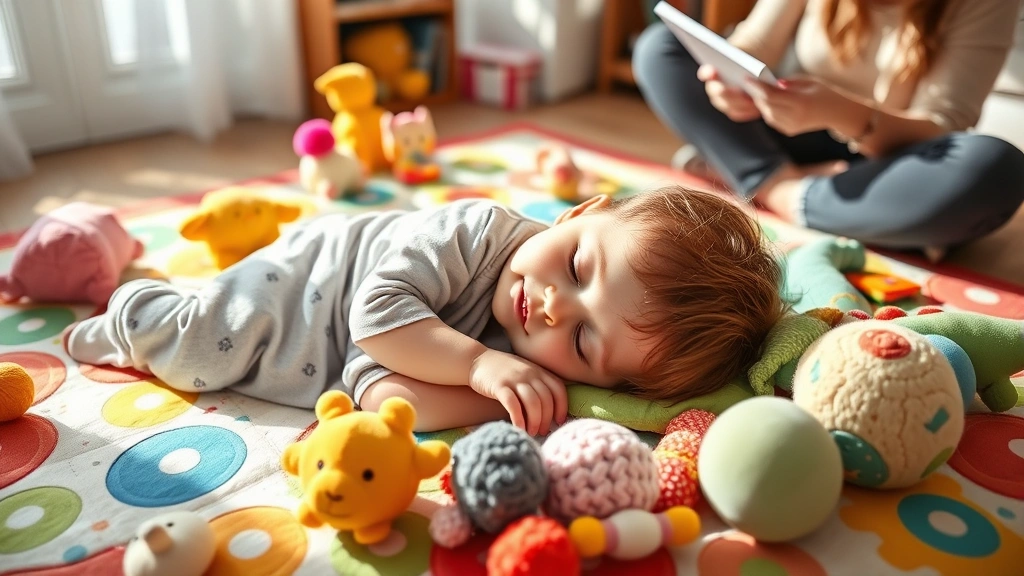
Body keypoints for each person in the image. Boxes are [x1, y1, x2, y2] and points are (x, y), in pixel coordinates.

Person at [65, 187, 785, 434]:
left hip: (337, 354)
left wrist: (513, 396)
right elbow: (378, 317)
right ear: (582, 211)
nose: (553, 307)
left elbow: (383, 395)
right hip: (307, 280)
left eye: (588, 341)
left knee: (252, 373)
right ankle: (134, 306)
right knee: (198, 354)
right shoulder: (475, 233)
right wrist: (479, 364)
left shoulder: (530, 356)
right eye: (575, 265)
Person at [633, 0, 1024, 252]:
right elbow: (753, 43)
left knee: (997, 169)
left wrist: (844, 114)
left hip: (892, 156)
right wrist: (728, 82)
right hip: (793, 125)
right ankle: (783, 187)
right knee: (660, 48)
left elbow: (944, 128)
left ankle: (750, 173)